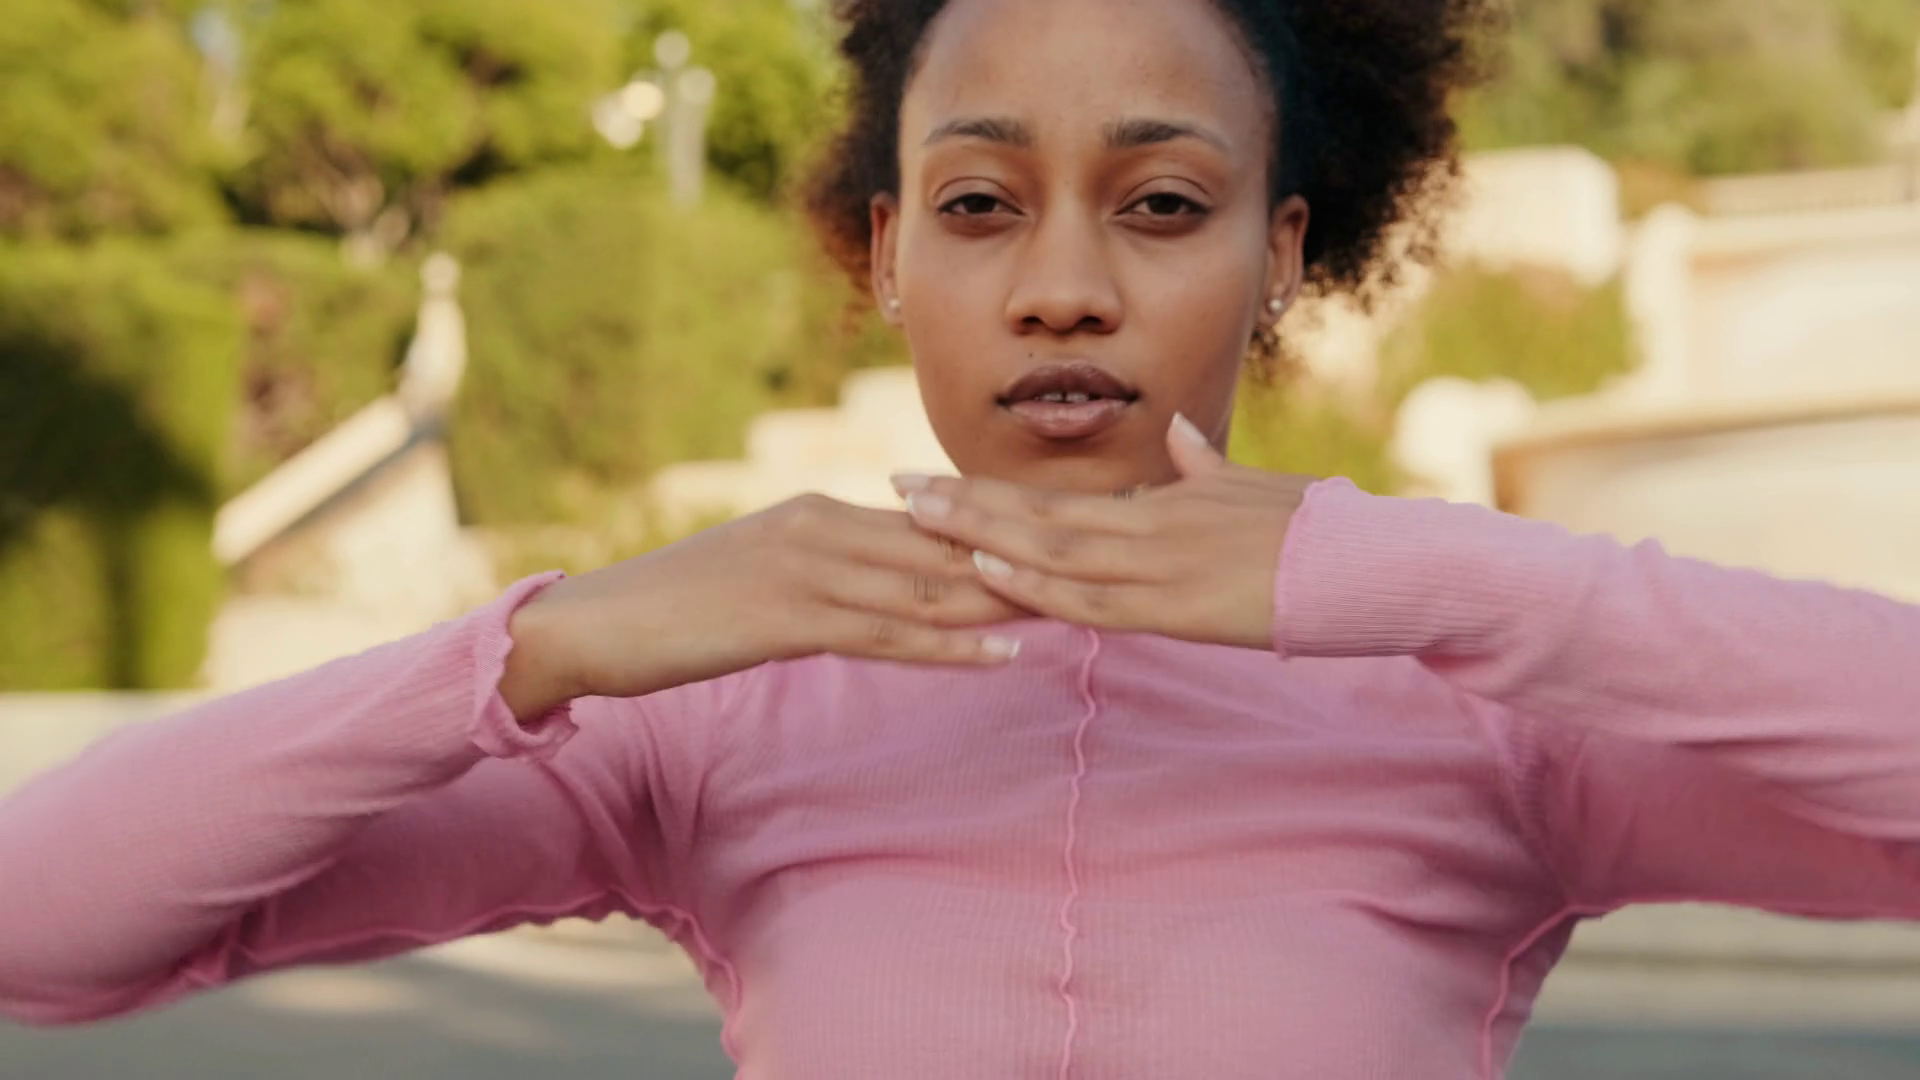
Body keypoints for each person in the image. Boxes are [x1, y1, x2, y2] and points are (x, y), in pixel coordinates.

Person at [4, 0, 1919, 1077]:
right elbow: (41, 925)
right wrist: (539, 646)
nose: (1064, 286)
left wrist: (1438, 578)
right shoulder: (717, 723)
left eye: (1162, 205)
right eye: (982, 204)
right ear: (892, 255)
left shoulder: (1472, 702)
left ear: (1283, 252)